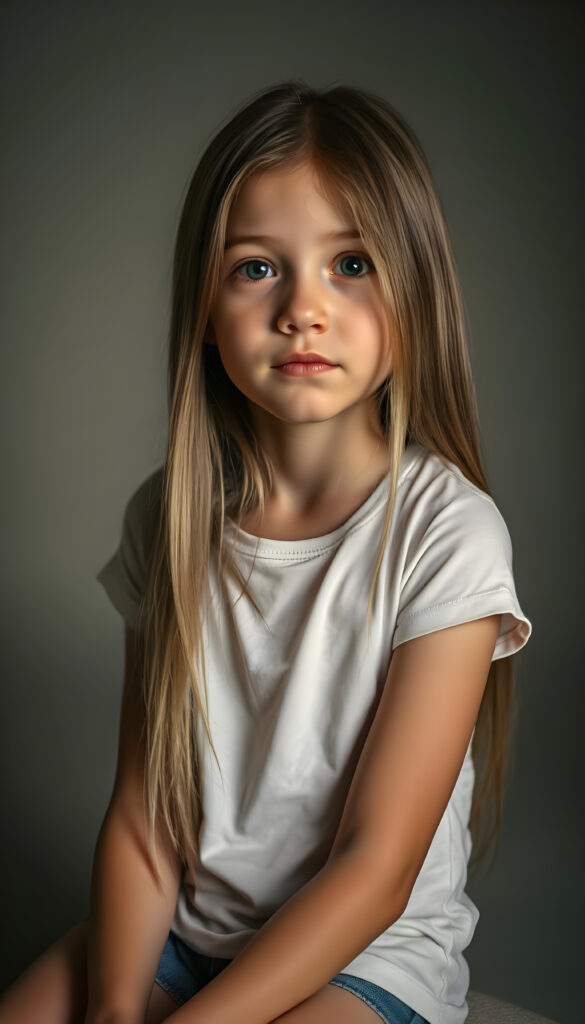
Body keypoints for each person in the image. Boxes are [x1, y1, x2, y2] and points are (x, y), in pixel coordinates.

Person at [0, 80, 532, 1024]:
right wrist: (122, 1011)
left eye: (352, 263)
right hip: (188, 936)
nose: (303, 309)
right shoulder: (165, 519)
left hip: (366, 957)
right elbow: (142, 818)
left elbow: (376, 868)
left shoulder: (448, 534)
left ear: (415, 292)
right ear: (204, 305)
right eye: (256, 269)